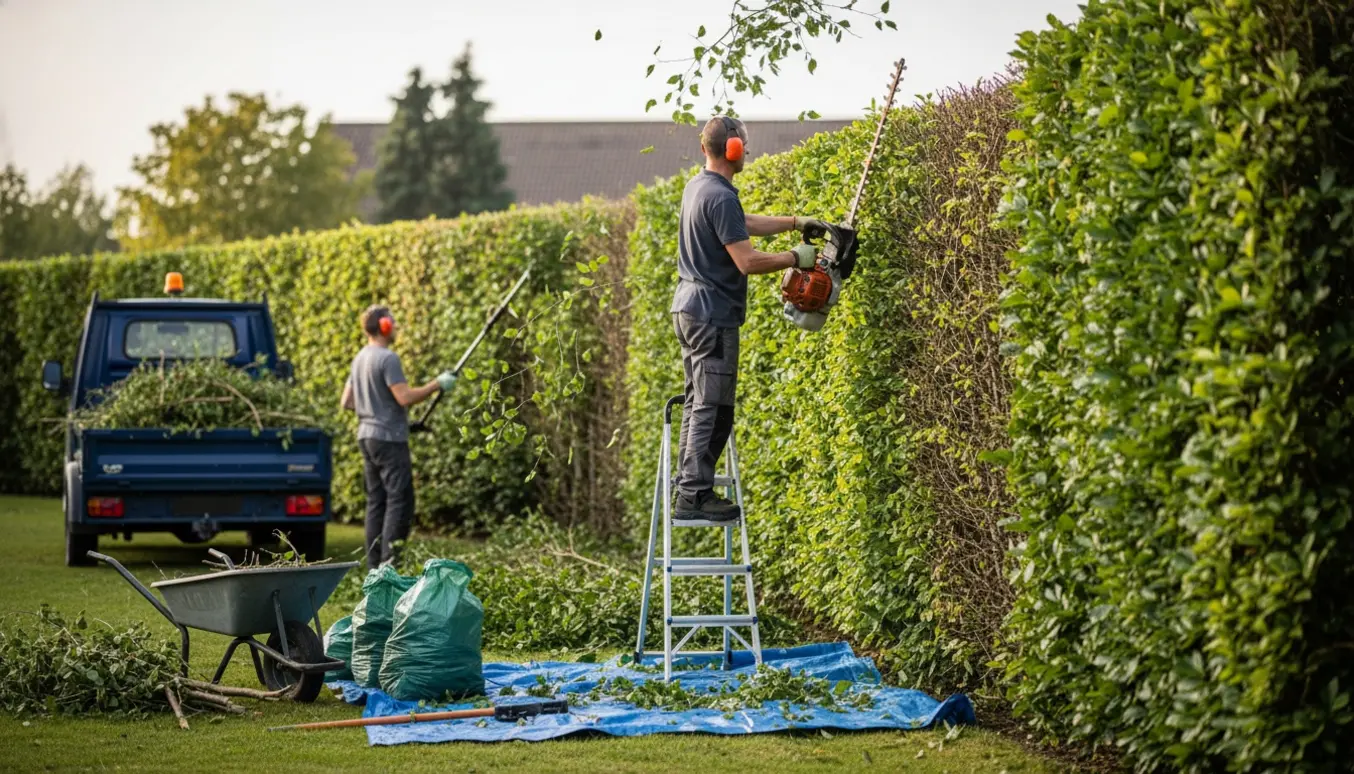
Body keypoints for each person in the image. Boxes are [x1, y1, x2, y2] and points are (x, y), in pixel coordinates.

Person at [670, 116, 827, 521]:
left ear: (706, 148)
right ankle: (693, 494)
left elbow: (739, 225)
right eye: (745, 145)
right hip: (712, 314)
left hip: (688, 307)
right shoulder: (720, 196)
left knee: (697, 400)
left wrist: (795, 223)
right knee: (712, 405)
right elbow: (746, 260)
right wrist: (796, 258)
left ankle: (686, 483)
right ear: (734, 149)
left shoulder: (700, 187)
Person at [340, 305, 455, 568]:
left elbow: (347, 401)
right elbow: (404, 397)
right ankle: (389, 566)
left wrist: (377, 411)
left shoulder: (360, 358)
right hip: (389, 440)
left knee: (376, 502)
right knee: (399, 501)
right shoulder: (387, 358)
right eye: (392, 320)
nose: (395, 325)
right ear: (384, 326)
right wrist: (437, 383)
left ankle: (373, 567)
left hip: (366, 438)